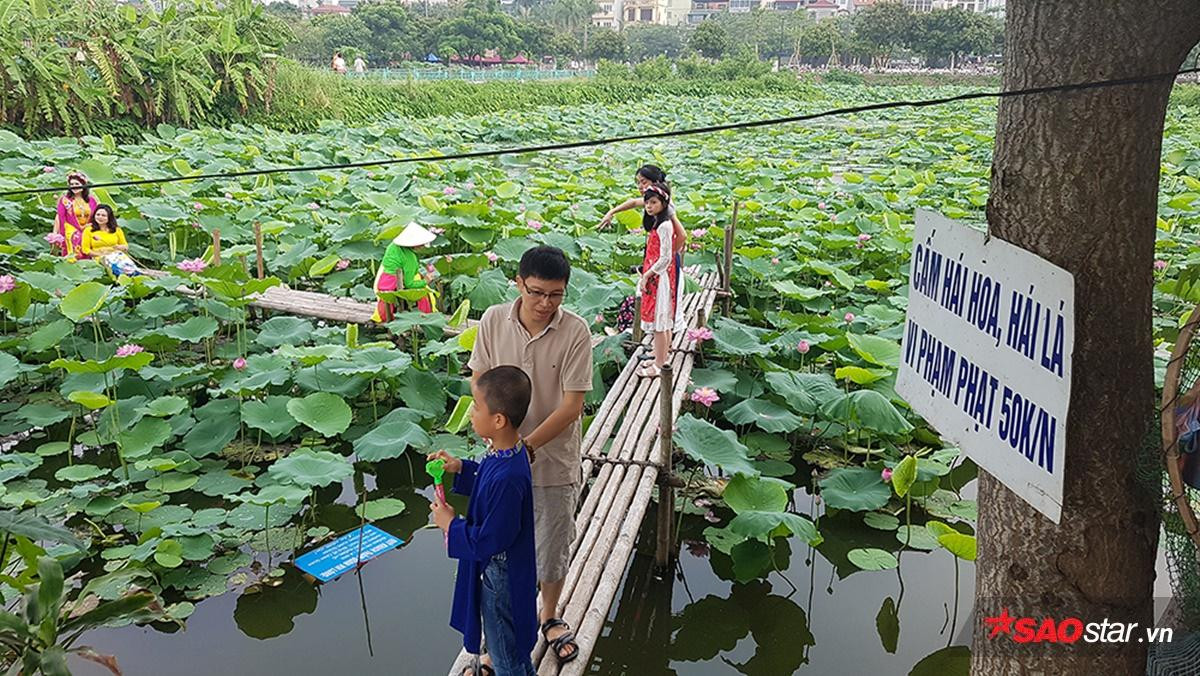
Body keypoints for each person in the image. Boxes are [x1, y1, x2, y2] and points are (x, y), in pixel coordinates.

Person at [467, 246, 592, 665]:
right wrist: (504, 440)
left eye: (556, 295)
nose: (545, 304)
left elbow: (572, 406)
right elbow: (479, 381)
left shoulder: (575, 332)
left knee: (553, 544)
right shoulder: (491, 321)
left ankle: (549, 615)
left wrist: (527, 446)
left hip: (553, 458)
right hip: (501, 461)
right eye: (536, 292)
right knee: (499, 551)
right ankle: (497, 637)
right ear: (518, 283)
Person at [430, 366, 538, 676]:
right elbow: (486, 480)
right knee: (509, 643)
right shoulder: (507, 453)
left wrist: (451, 524)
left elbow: (493, 539)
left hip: (501, 575)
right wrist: (460, 468)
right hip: (506, 567)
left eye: (476, 406)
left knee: (506, 653)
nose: (471, 412)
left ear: (498, 420)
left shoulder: (509, 477)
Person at [636, 184, 684, 378]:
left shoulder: (664, 226)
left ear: (664, 203)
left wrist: (647, 275)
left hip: (659, 277)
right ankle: (660, 358)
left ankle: (659, 365)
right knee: (660, 322)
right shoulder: (657, 223)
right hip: (656, 274)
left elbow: (665, 258)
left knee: (660, 324)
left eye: (654, 202)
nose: (649, 206)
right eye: (647, 202)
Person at [372, 222, 435, 323]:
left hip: (384, 283)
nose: (423, 246)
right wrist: (426, 281)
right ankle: (424, 318)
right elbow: (409, 284)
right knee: (425, 295)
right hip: (398, 289)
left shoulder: (392, 246)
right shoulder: (410, 259)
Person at [54, 171, 98, 259]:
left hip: (87, 230)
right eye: (72, 184)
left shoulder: (91, 201)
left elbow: (96, 217)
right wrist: (55, 234)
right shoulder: (65, 200)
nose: (74, 186)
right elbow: (59, 217)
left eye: (77, 183)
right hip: (71, 231)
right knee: (77, 241)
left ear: (83, 185)